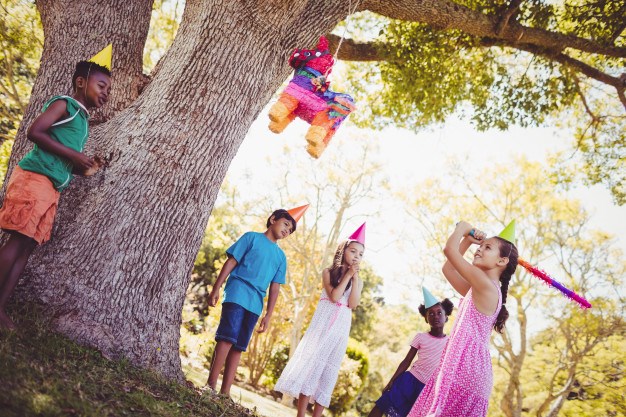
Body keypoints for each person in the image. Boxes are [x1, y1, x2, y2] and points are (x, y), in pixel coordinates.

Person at [0, 46, 113, 330]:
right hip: (33, 178)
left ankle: (1, 308)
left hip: (51, 189)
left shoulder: (83, 121)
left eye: (108, 89)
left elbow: (65, 159)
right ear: (80, 82)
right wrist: (75, 155)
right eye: (101, 85)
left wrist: (85, 166)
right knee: (15, 242)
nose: (106, 93)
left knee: (26, 247)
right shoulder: (64, 105)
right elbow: (35, 132)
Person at [408, 220, 518, 417]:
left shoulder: (485, 284)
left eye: (487, 247)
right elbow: (448, 269)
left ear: (501, 261)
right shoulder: (479, 288)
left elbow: (449, 250)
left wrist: (463, 227)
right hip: (462, 368)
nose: (480, 249)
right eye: (481, 246)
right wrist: (468, 240)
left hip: (465, 370)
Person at [206, 205, 308, 396]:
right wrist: (216, 287)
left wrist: (268, 315)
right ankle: (210, 384)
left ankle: (225, 392)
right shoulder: (251, 237)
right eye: (285, 224)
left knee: (238, 346)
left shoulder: (281, 257)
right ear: (272, 219)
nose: (287, 230)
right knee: (227, 338)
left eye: (290, 230)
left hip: (255, 304)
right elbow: (231, 262)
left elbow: (275, 287)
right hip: (237, 292)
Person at [275, 222, 366, 417]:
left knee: (328, 372)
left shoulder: (358, 280)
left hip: (340, 329)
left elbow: (352, 304)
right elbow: (334, 296)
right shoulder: (328, 272)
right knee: (311, 366)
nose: (356, 257)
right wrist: (348, 274)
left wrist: (355, 279)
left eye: (360, 254)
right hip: (322, 326)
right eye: (353, 251)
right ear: (343, 251)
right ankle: (300, 414)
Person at [368, 288, 454, 417]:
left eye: (439, 313)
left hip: (426, 390)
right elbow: (407, 361)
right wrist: (392, 380)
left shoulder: (451, 342)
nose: (435, 316)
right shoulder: (420, 337)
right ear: (426, 319)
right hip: (408, 381)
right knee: (383, 404)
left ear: (446, 317)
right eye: (430, 314)